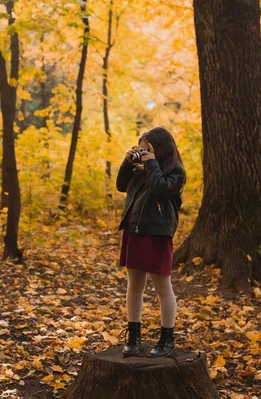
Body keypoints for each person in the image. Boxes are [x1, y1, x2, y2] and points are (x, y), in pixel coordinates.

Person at [116, 127, 186, 358]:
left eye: (147, 149)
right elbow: (120, 185)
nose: (143, 153)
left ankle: (167, 338)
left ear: (160, 149)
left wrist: (152, 163)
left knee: (162, 286)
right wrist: (127, 162)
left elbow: (161, 189)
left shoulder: (176, 172)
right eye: (140, 149)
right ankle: (134, 335)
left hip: (157, 233)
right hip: (135, 229)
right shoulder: (141, 170)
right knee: (134, 284)